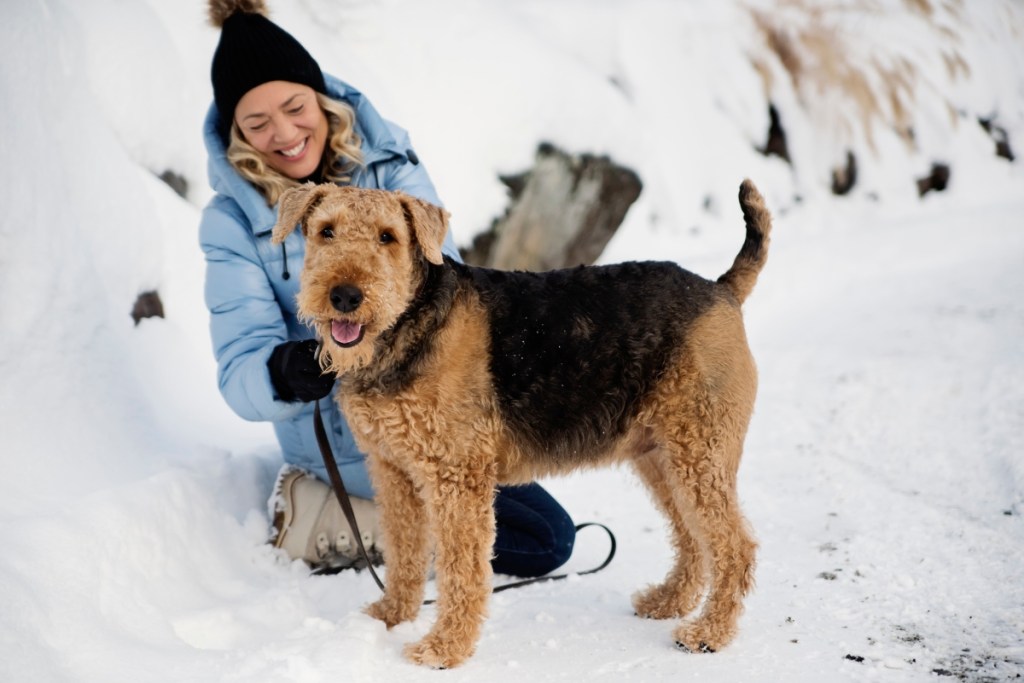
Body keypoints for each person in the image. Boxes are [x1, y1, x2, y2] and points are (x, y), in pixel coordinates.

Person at [200, 0, 576, 575]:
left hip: (428, 405)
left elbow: (444, 279)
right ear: (238, 135)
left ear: (322, 101)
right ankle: (324, 512)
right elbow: (238, 369)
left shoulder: (389, 167)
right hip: (341, 435)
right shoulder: (231, 223)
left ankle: (411, 532)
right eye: (256, 123)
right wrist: (285, 371)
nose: (283, 133)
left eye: (295, 107)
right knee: (506, 535)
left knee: (549, 538)